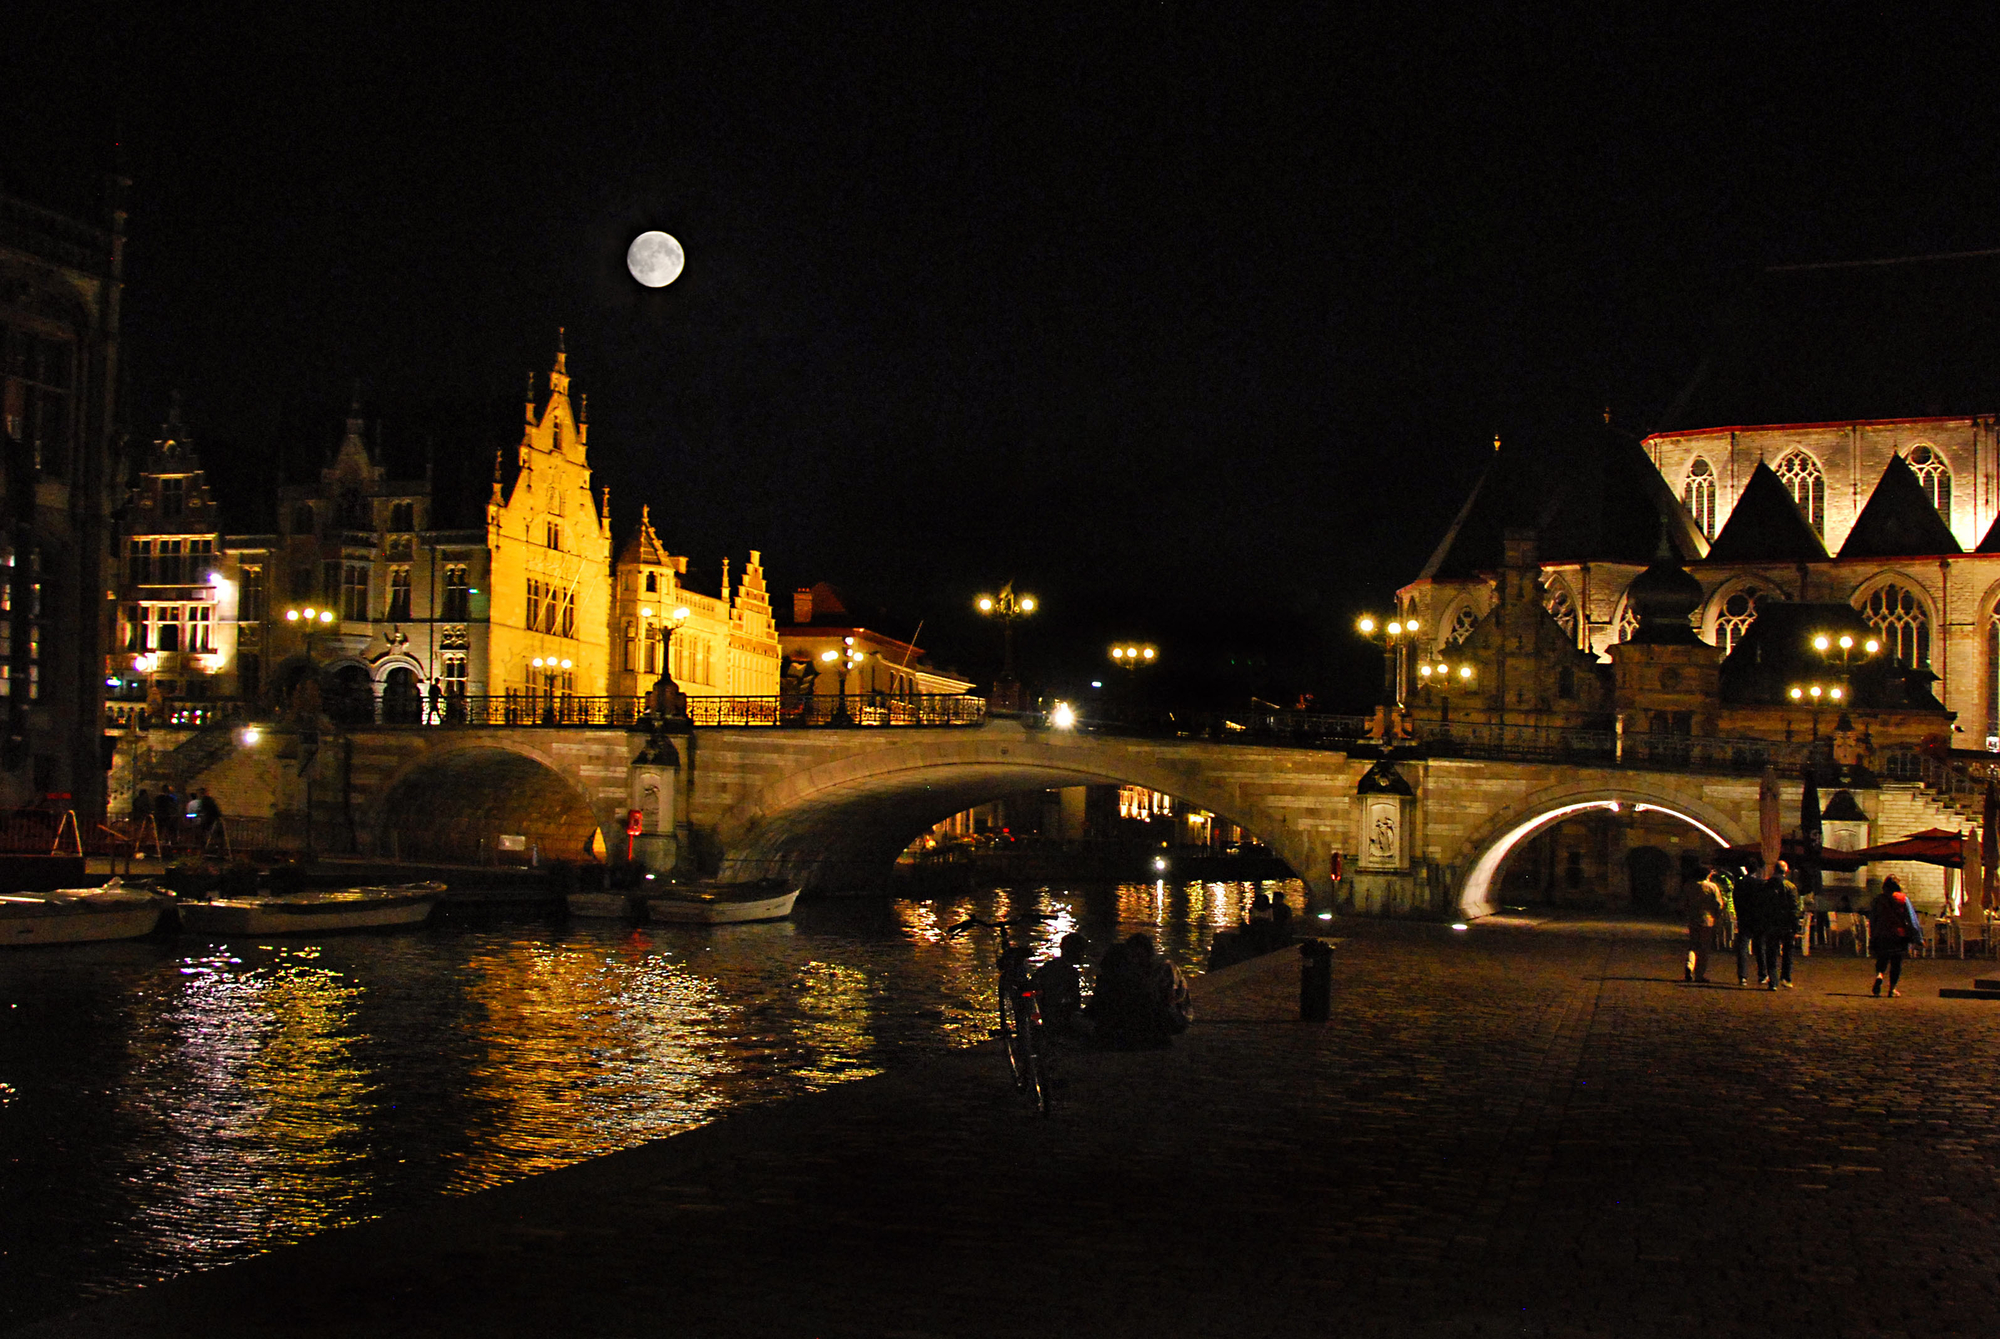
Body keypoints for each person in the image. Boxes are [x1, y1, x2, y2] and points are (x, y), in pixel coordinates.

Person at [1088, 933, 1193, 1048]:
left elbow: (1167, 1000)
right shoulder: (1133, 970)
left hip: (1174, 1015)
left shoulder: (1162, 968)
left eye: (1136, 955)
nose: (1134, 959)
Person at [1869, 875, 1924, 997]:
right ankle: (1892, 989)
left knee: (1882, 958)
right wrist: (1918, 938)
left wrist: (1873, 934)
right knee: (1896, 962)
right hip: (1898, 935)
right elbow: (1911, 919)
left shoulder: (1878, 900)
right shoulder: (1903, 899)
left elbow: (1873, 919)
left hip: (1881, 933)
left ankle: (1880, 974)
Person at [1031, 932, 1092, 1039]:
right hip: (1060, 1021)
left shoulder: (1047, 968)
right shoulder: (1069, 973)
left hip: (1050, 1017)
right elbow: (1071, 1005)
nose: (1083, 955)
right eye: (1082, 951)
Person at [1681, 871, 1725, 983]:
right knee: (1704, 948)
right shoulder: (1711, 887)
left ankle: (1689, 965)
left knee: (1693, 945)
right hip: (1707, 920)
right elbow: (1719, 904)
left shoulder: (1689, 886)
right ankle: (1699, 974)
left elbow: (1684, 903)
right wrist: (1717, 915)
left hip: (1693, 918)